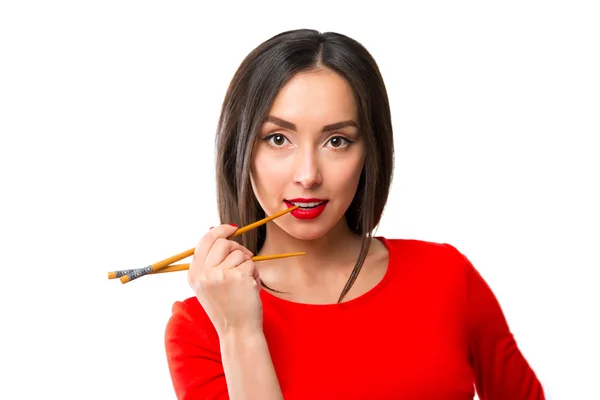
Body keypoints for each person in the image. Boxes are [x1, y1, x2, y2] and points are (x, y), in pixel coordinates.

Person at [164, 29, 546, 400]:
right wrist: (239, 332)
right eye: (278, 139)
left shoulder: (446, 275)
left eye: (337, 141)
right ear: (241, 149)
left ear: (370, 151)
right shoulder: (201, 326)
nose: (308, 176)